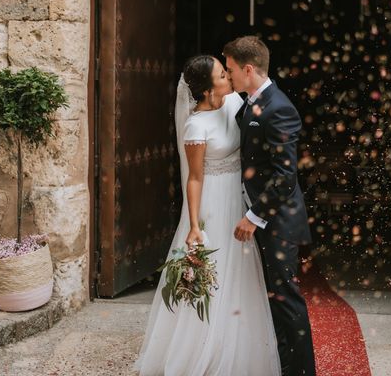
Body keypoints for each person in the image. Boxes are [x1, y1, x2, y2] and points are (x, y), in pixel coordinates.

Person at [134, 55, 280, 376]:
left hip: (238, 197)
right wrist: (194, 224)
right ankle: (201, 348)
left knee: (239, 270)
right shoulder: (195, 125)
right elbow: (195, 177)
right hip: (213, 200)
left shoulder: (235, 102)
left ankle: (239, 344)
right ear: (206, 89)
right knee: (214, 269)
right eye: (221, 74)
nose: (228, 75)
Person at [225, 36, 316, 376]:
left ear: (248, 69)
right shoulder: (251, 102)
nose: (229, 75)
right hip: (266, 218)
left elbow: (285, 176)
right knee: (273, 301)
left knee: (287, 301)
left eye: (232, 70)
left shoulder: (279, 107)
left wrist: (254, 215)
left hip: (277, 221)